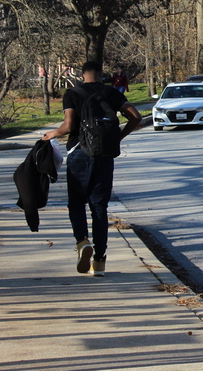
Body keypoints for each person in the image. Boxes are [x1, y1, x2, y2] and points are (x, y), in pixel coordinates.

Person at [43, 61, 141, 276]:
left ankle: (82, 242)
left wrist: (52, 134)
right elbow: (136, 117)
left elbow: (68, 126)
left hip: (79, 153)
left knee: (77, 203)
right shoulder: (112, 92)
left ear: (82, 75)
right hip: (105, 155)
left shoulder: (73, 93)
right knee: (99, 207)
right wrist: (117, 137)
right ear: (100, 74)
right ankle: (99, 262)